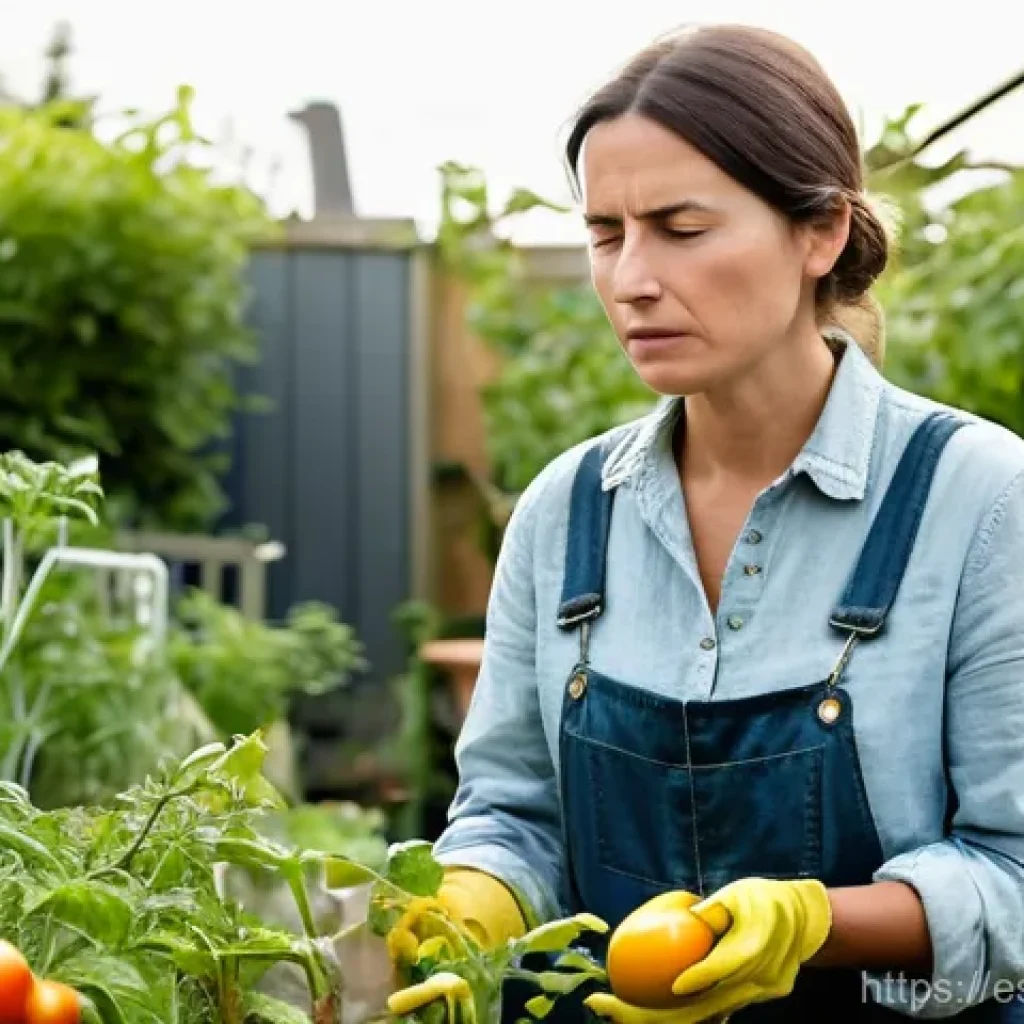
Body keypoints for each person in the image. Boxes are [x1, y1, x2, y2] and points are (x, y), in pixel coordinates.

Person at [389, 23, 1024, 1022]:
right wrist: (474, 898)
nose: (631, 279)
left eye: (681, 228)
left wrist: (815, 923)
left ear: (820, 232)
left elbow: (1014, 873)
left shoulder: (981, 502)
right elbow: (511, 812)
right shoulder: (565, 512)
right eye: (606, 233)